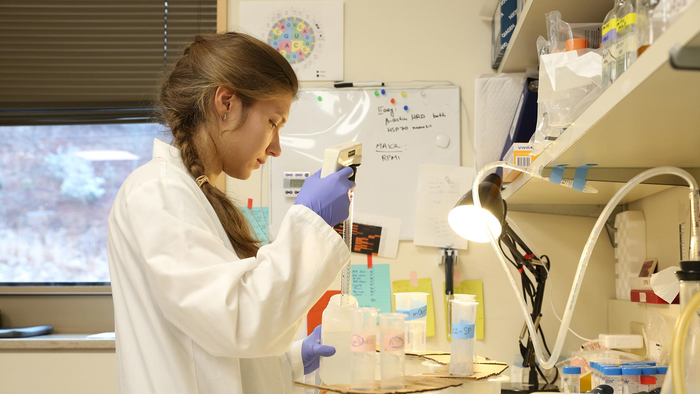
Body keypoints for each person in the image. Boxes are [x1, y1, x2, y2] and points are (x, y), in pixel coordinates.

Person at [107, 32, 354, 394]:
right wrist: (309, 222)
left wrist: (290, 360)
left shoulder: (192, 194)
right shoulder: (158, 191)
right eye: (273, 122)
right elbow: (237, 320)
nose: (276, 148)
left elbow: (213, 337)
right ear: (226, 103)